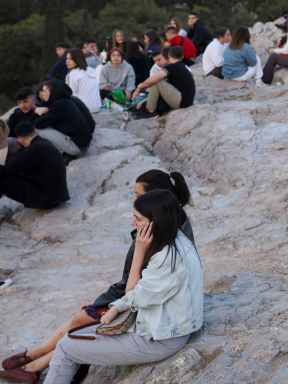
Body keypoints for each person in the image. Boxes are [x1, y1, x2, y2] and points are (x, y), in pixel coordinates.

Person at [0, 170, 193, 382]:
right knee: (79, 323)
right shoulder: (171, 231)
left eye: (139, 198)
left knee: (78, 325)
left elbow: (132, 292)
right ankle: (34, 358)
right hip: (149, 314)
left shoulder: (161, 247)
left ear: (155, 204)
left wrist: (108, 301)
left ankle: (35, 364)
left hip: (153, 328)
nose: (132, 219)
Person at [40, 190, 202, 384]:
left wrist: (139, 251)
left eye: (138, 219)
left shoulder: (166, 259)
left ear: (156, 222)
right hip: (162, 330)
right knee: (75, 336)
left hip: (159, 339)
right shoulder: (178, 239)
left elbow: (131, 293)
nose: (133, 222)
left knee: (66, 347)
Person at [0, 123, 69, 212]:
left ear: (20, 138)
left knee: (2, 179)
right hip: (56, 195)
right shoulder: (43, 142)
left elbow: (8, 168)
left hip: (48, 199)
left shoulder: (34, 149)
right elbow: (17, 160)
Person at [33, 80, 94, 157]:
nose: (42, 95)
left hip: (78, 148)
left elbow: (38, 124)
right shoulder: (67, 99)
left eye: (44, 91)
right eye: (41, 96)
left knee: (38, 130)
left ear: (53, 89)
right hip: (84, 142)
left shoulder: (58, 105)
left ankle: (59, 154)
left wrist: (37, 111)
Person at [132, 45, 196, 117]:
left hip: (182, 101)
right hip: (186, 100)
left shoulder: (172, 66)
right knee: (157, 82)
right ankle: (151, 108)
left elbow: (153, 80)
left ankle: (150, 110)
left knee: (157, 81)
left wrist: (139, 89)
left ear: (169, 55)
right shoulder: (181, 65)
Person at [64, 49, 100, 114]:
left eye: (70, 59)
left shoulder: (72, 74)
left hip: (83, 109)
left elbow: (71, 95)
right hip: (96, 107)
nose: (67, 61)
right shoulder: (92, 70)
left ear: (77, 59)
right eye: (67, 58)